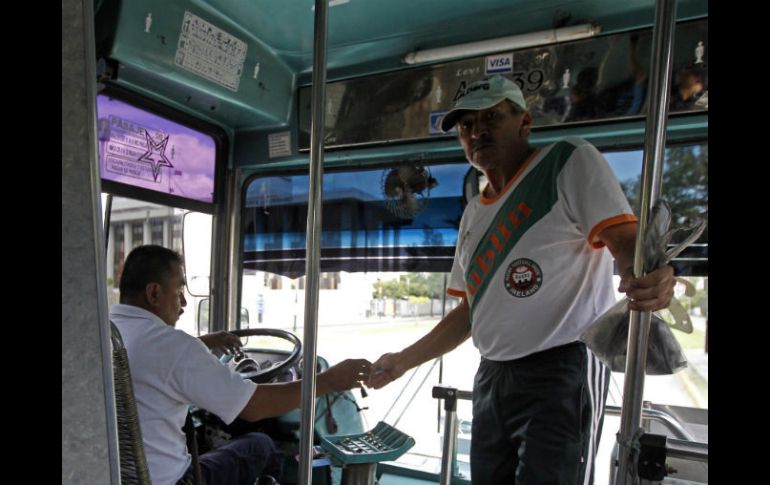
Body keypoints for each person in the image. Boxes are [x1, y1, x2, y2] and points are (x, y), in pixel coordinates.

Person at [368, 75, 675, 484]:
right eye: (466, 125)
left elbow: (626, 246)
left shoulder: (568, 161)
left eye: (492, 117)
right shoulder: (474, 213)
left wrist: (651, 278)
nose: (477, 131)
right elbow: (468, 313)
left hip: (560, 369)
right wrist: (401, 361)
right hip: (492, 376)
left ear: (524, 122)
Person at [111, 245, 371, 485]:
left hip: (115, 476)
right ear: (154, 292)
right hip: (175, 480)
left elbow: (151, 355)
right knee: (261, 445)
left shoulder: (106, 330)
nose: (185, 303)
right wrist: (328, 381)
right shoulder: (174, 346)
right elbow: (254, 407)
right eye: (179, 291)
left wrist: (203, 342)